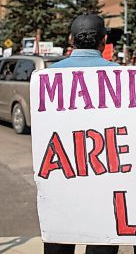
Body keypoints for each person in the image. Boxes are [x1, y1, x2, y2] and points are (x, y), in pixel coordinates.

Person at [45, 14, 119, 254]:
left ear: (70, 39)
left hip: (61, 176)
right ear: (104, 41)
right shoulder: (121, 75)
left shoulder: (47, 77)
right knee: (102, 245)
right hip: (105, 178)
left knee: (59, 244)